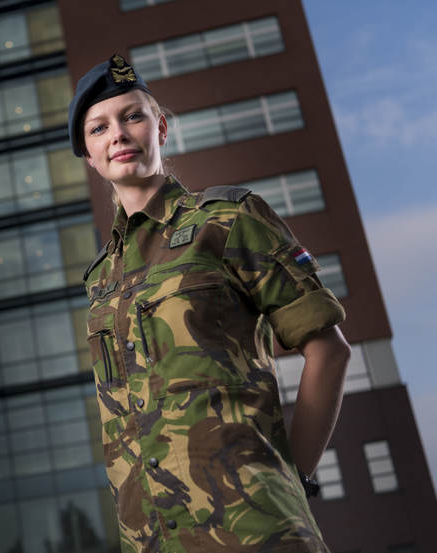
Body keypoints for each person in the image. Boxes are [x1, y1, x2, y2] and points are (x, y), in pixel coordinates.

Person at [70, 54, 351, 553]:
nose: (118, 134)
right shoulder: (100, 280)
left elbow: (329, 351)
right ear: (89, 155)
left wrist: (294, 478)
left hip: (255, 528)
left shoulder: (228, 219)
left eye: (133, 116)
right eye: (99, 128)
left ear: (160, 128)